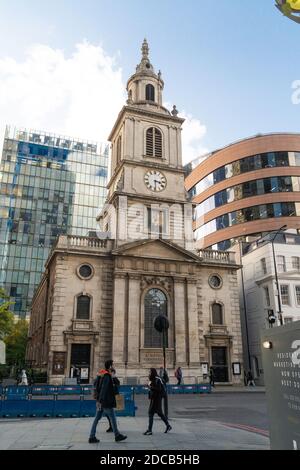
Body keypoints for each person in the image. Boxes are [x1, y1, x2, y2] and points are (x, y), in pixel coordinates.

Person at [89, 359, 127, 443]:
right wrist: (101, 400)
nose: (113, 366)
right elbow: (104, 388)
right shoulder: (107, 376)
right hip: (105, 401)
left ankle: (92, 436)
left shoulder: (101, 374)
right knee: (112, 417)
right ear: (110, 366)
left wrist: (98, 400)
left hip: (100, 400)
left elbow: (96, 386)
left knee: (97, 418)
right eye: (112, 365)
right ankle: (117, 435)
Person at [143, 368, 172, 436]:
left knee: (151, 413)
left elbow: (158, 389)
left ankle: (150, 430)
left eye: (150, 372)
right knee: (159, 413)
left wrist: (150, 387)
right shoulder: (153, 379)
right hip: (154, 398)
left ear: (153, 372)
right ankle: (168, 425)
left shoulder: (157, 379)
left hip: (157, 399)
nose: (149, 373)